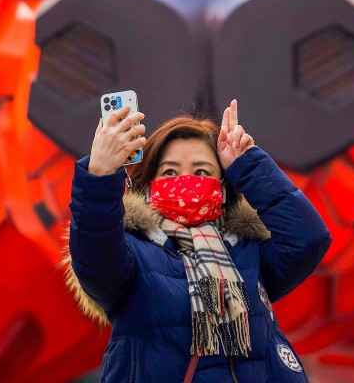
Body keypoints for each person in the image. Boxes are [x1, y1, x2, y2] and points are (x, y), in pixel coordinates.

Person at [63, 98, 331, 382]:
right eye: (169, 172)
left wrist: (249, 166)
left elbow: (308, 240)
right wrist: (100, 176)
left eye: (202, 172)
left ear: (223, 186)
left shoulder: (246, 252)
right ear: (149, 186)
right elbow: (94, 260)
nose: (186, 181)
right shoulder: (130, 253)